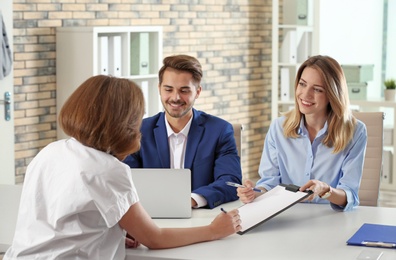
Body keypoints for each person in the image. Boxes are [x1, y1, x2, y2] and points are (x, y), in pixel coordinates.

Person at [4, 75, 241, 260]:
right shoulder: (108, 170)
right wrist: (213, 230)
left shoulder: (51, 151)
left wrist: (113, 232)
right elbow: (154, 238)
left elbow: (66, 219)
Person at [237, 55, 367, 212]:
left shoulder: (355, 132)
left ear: (332, 94)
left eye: (317, 89)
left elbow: (349, 195)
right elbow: (269, 183)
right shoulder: (278, 128)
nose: (305, 94)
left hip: (329, 218)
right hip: (287, 218)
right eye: (302, 84)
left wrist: (326, 190)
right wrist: (254, 193)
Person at [123, 54, 242, 209]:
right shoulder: (138, 131)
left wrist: (193, 200)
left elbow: (230, 181)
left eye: (184, 90)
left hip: (200, 216)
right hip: (149, 216)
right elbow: (125, 180)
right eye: (168, 89)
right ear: (159, 89)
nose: (175, 97)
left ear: (198, 92)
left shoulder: (219, 130)